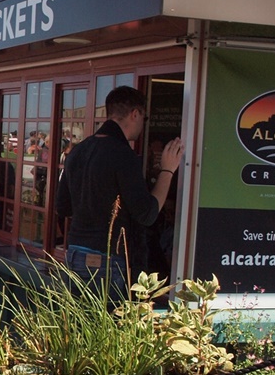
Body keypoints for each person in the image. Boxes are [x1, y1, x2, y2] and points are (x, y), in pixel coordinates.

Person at [54, 86, 183, 303]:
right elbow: (147, 214)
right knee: (109, 330)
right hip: (108, 259)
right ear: (135, 114)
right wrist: (167, 171)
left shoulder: (78, 151)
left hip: (75, 254)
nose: (143, 124)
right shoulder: (123, 155)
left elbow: (63, 207)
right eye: (144, 117)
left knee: (81, 330)